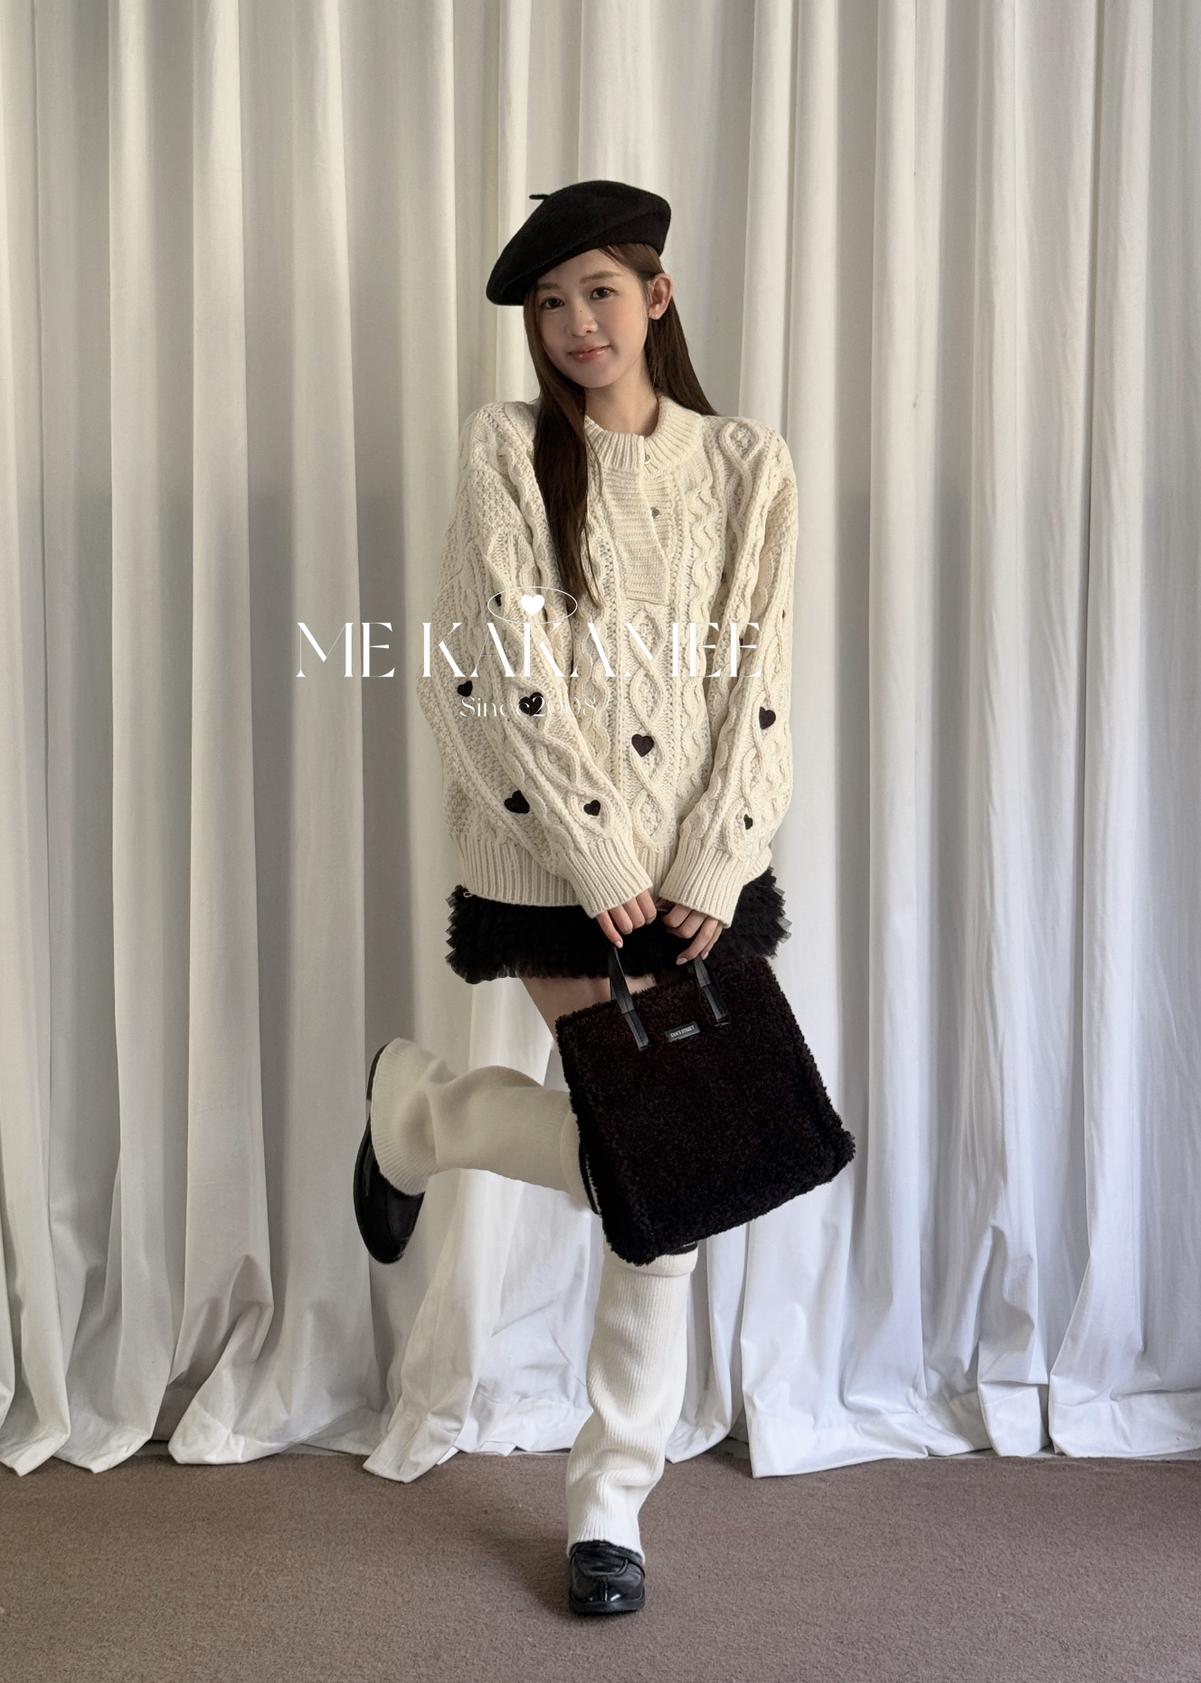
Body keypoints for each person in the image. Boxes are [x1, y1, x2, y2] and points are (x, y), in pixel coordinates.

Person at [354, 179, 798, 1616]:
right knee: (662, 1164)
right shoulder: (504, 446)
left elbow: (760, 678)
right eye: (549, 304)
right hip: (550, 864)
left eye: (597, 292)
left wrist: (715, 856)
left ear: (655, 296)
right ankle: (608, 1504)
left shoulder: (747, 462)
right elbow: (481, 670)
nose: (573, 324)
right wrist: (600, 852)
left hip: (698, 874)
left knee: (667, 1176)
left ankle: (422, 1117)